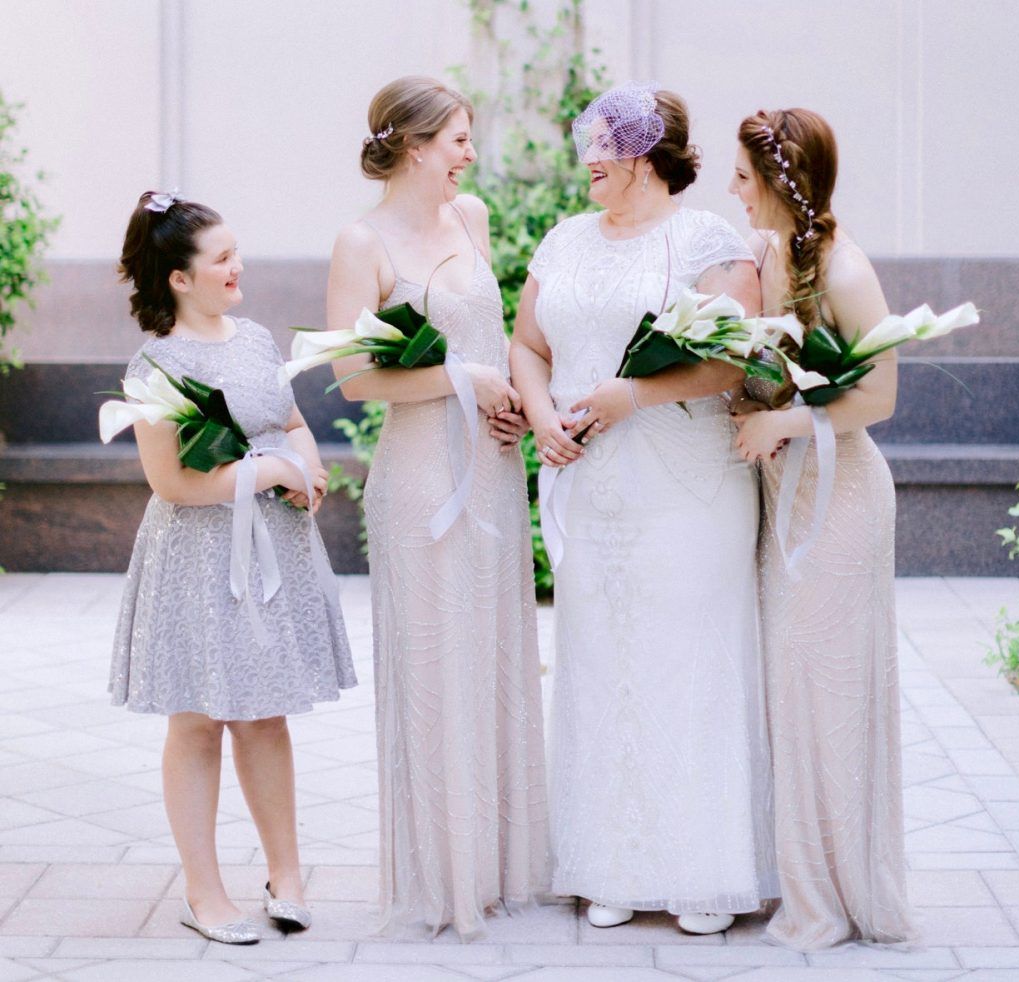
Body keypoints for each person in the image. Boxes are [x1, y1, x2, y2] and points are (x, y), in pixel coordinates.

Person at [510, 81, 777, 934]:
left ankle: (703, 872)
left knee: (688, 662)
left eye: (601, 146)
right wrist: (543, 415)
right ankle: (611, 863)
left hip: (686, 484)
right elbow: (528, 343)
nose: (586, 160)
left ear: (642, 155)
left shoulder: (707, 238)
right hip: (595, 490)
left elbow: (738, 361)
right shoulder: (565, 237)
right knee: (601, 663)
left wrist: (636, 394)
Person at [326, 77, 549, 939]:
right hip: (421, 478)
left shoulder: (475, 218)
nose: (468, 152)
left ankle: (495, 865)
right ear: (414, 145)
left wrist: (509, 402)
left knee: (493, 654)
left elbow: (496, 344)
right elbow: (354, 376)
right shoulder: (361, 241)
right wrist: (463, 380)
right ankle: (440, 879)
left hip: (490, 464)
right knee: (434, 664)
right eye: (457, 137)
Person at [109, 191, 356, 944]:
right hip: (196, 555)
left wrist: (306, 470)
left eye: (235, 252)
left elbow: (290, 424)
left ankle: (287, 875)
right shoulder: (156, 366)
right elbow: (173, 484)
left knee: (265, 713)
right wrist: (269, 475)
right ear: (179, 278)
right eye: (221, 258)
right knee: (198, 720)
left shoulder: (253, 339)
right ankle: (204, 892)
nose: (237, 266)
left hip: (272, 545)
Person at [730, 108, 916, 949]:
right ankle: (805, 881)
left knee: (834, 694)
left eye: (743, 176)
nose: (733, 190)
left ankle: (846, 891)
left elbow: (877, 396)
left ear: (778, 181)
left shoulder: (846, 268)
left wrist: (790, 425)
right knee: (791, 692)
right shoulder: (766, 257)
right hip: (786, 498)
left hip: (840, 504)